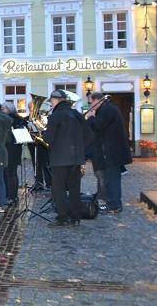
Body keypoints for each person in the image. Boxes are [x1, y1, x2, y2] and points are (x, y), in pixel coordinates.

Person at [44, 89, 93, 227]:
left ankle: (62, 217)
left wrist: (44, 134)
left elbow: (49, 138)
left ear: (56, 101)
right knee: (74, 188)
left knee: (58, 189)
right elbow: (89, 135)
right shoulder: (76, 114)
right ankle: (75, 217)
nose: (51, 104)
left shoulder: (55, 116)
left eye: (51, 102)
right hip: (76, 159)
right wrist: (79, 149)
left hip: (59, 159)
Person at [86, 92, 131, 215]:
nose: (91, 105)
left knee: (112, 179)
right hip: (110, 151)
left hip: (111, 152)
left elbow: (98, 126)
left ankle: (114, 205)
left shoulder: (107, 110)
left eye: (91, 103)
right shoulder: (108, 108)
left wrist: (90, 117)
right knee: (109, 179)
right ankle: (111, 203)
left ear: (96, 100)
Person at [3, 102, 25, 205]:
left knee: (11, 173)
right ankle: (9, 195)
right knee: (8, 173)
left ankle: (12, 195)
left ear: (9, 109)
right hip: (10, 149)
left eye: (4, 108)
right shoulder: (7, 119)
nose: (2, 110)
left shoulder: (16, 120)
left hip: (12, 149)